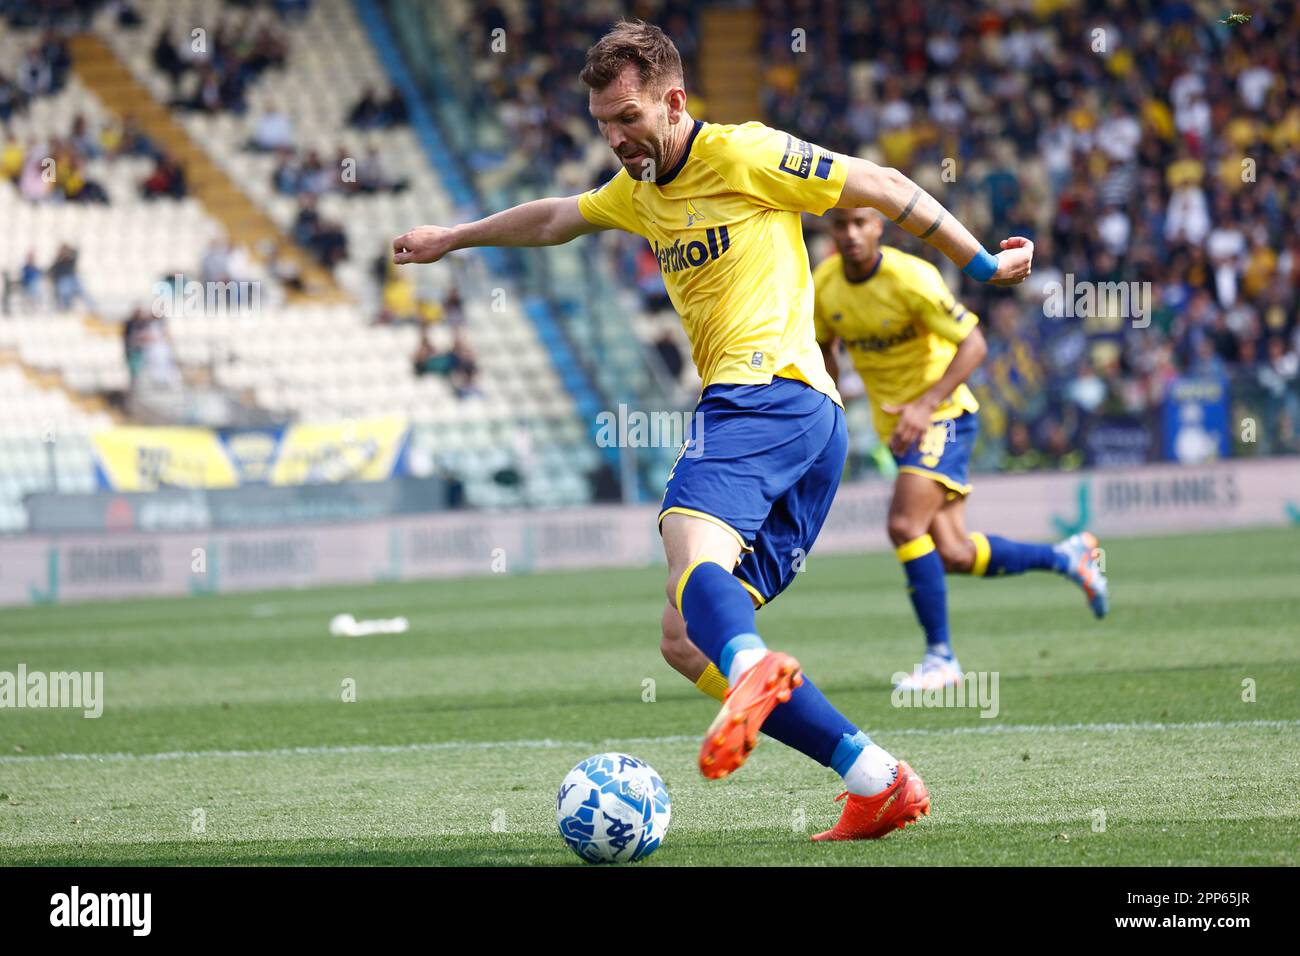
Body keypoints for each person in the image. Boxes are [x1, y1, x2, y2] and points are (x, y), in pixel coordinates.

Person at [392, 19, 1034, 842]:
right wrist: (455, 237)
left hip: (764, 396)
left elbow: (878, 181)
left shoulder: (744, 153)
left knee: (689, 551)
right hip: (804, 425)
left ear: (673, 100)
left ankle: (753, 667)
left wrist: (979, 262)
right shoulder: (641, 191)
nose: (617, 138)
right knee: (685, 633)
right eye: (602, 124)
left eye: (628, 117)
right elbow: (557, 218)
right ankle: (878, 780)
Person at [814, 207, 1108, 693]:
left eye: (859, 223)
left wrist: (924, 405)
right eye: (840, 225)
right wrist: (832, 403)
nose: (850, 234)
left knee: (903, 525)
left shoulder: (912, 278)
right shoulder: (824, 286)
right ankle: (1068, 557)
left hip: (943, 415)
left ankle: (941, 658)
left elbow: (973, 344)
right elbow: (826, 348)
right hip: (900, 428)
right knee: (950, 551)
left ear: (878, 227)